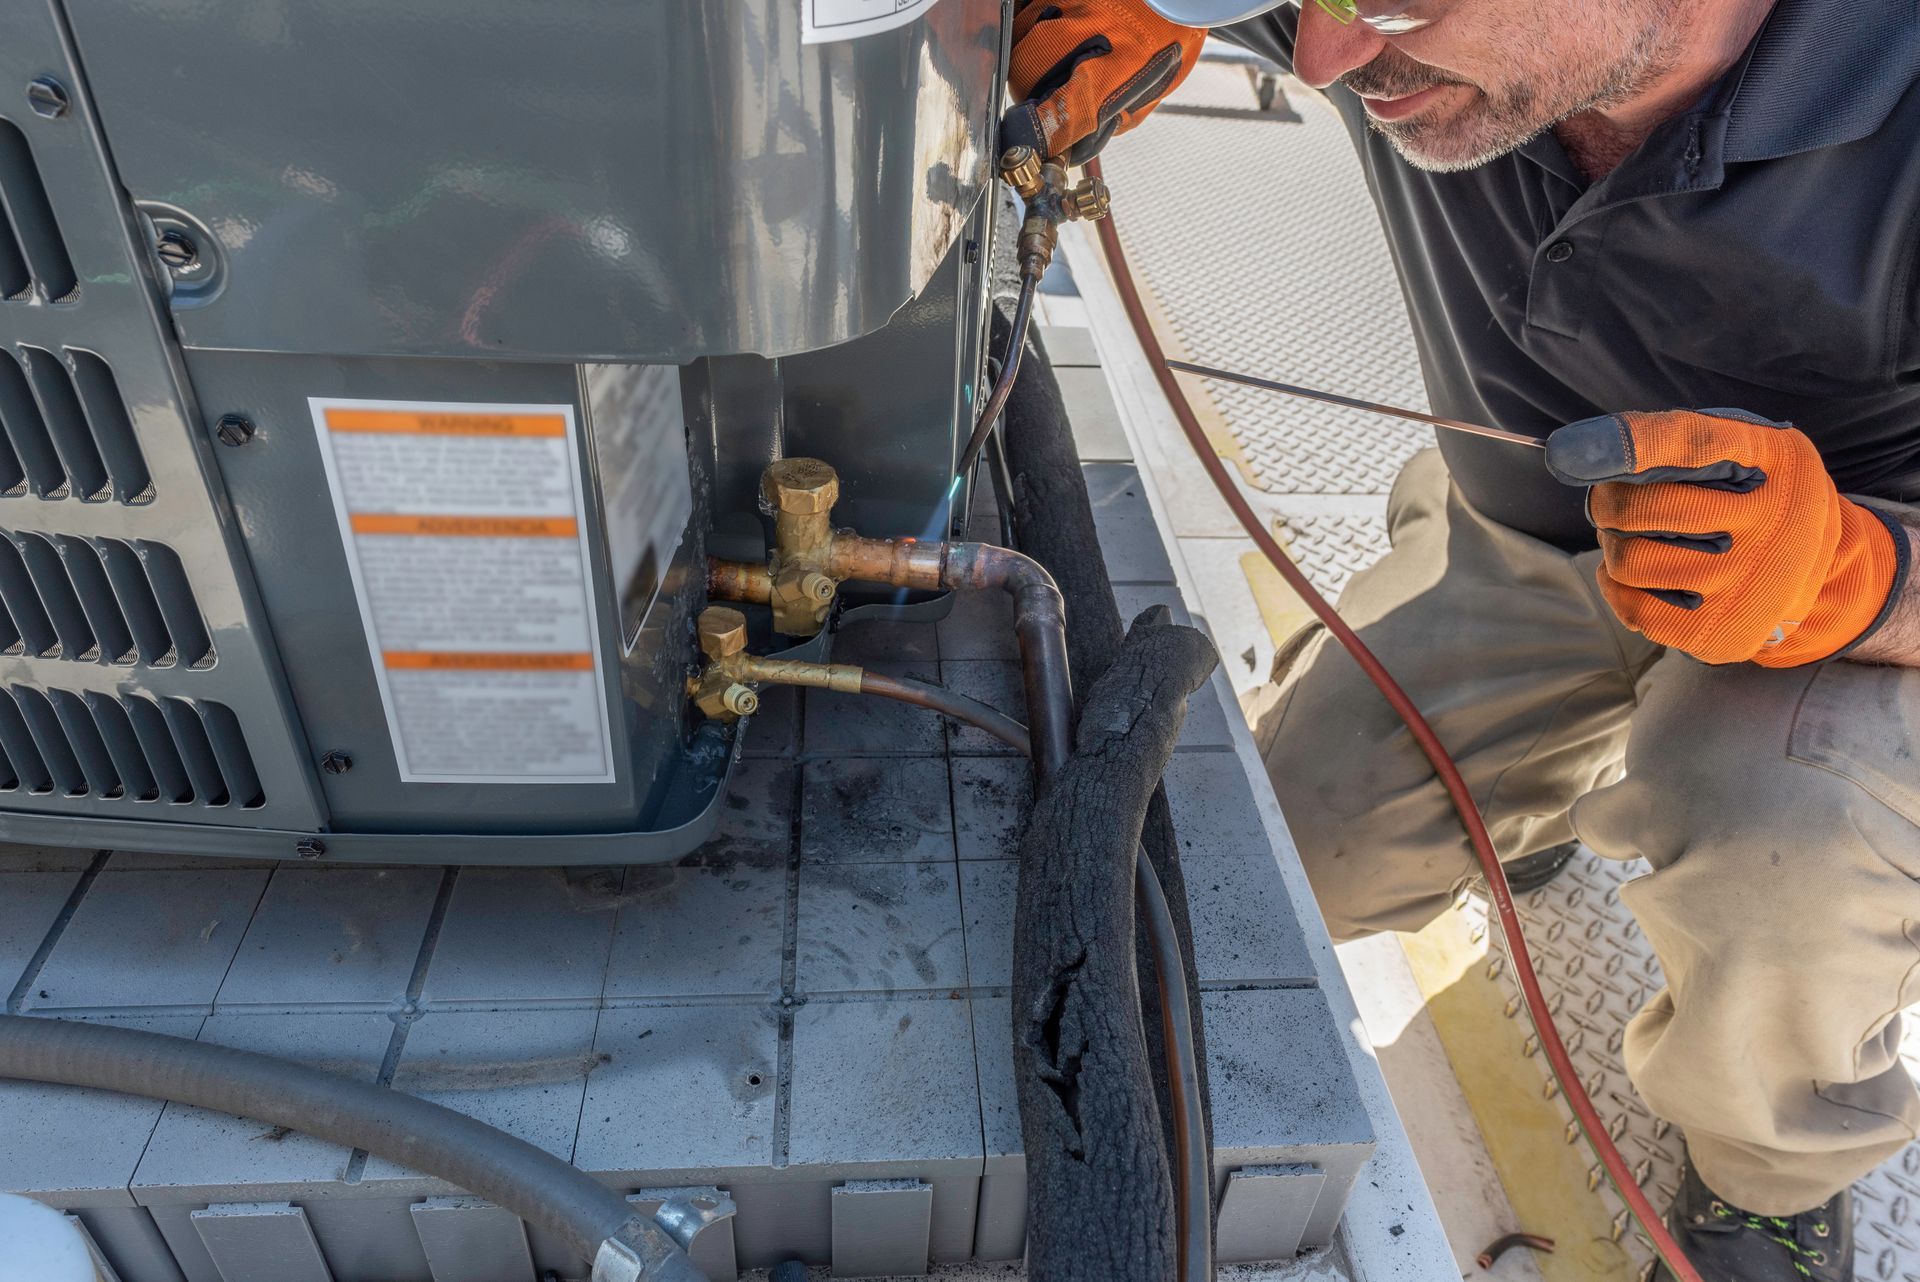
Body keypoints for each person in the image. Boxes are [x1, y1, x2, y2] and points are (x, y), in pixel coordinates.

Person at [1002, 1, 1920, 1278]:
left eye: (1391, 3)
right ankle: (1532, 806)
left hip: (1854, 623)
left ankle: (1766, 1179)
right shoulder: (1401, 38)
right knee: (1279, 863)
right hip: (1527, 544)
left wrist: (1858, 577)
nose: (1320, 58)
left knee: (1779, 848)